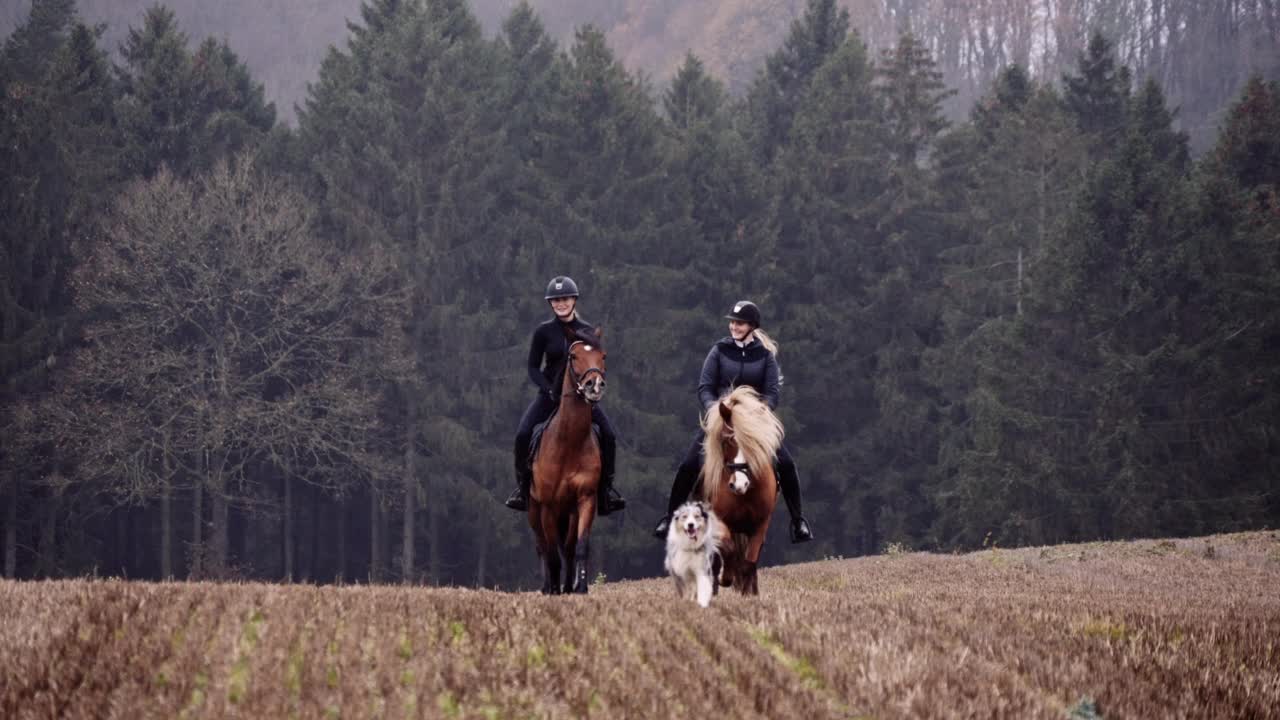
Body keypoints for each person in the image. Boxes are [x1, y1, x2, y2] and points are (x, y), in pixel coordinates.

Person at [652, 301, 812, 543]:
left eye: (740, 323)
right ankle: (669, 518)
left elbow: (772, 392)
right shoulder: (719, 351)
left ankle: (798, 521)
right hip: (721, 421)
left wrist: (760, 411)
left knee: (787, 464)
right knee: (688, 464)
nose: (734, 326)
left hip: (754, 426)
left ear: (752, 326)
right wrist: (715, 410)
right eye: (733, 322)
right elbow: (705, 387)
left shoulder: (765, 356)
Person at [504, 276, 626, 515]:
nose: (561, 303)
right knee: (522, 434)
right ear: (551, 303)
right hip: (548, 396)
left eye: (565, 298)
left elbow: (595, 363)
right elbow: (532, 367)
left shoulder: (587, 331)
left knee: (609, 435)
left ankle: (606, 491)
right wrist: (548, 389)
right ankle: (522, 489)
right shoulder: (543, 332)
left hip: (581, 399)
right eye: (556, 300)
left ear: (573, 300)